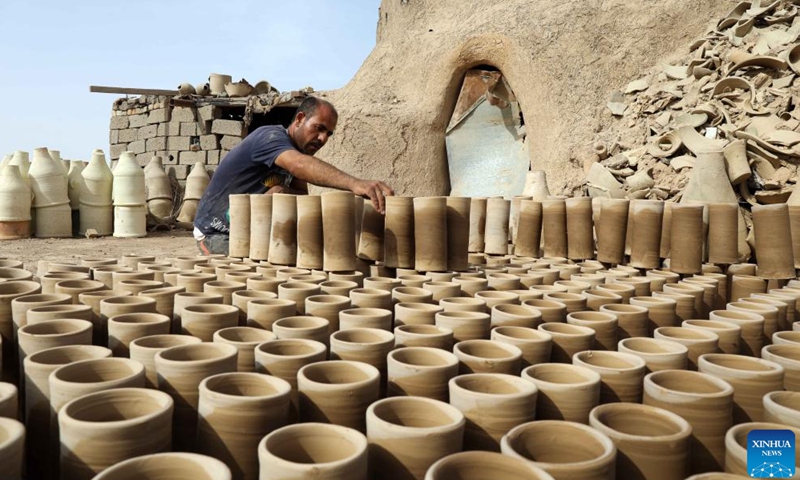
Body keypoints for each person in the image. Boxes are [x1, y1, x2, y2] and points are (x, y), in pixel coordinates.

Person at [193, 96, 394, 255]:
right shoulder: (269, 138)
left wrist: (281, 191)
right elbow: (299, 165)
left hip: (252, 231)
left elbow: (300, 195)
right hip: (216, 232)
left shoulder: (300, 153)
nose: (323, 138)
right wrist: (355, 184)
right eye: (319, 128)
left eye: (329, 134)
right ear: (299, 119)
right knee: (255, 275)